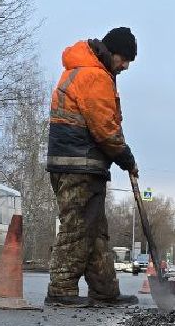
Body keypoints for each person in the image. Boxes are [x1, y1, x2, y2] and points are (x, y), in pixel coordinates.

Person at [45, 27, 142, 308]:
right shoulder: (94, 75)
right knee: (77, 227)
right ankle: (60, 288)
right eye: (123, 59)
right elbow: (105, 129)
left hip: (78, 163)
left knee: (95, 231)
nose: (124, 66)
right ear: (111, 52)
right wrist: (127, 158)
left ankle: (104, 290)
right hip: (79, 164)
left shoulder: (88, 71)